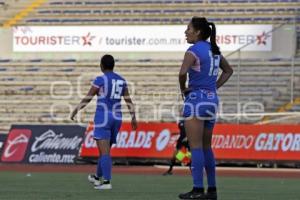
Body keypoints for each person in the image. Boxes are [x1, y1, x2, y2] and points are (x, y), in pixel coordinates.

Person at [178, 17, 233, 200]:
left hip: (196, 100)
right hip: (212, 100)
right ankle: (212, 190)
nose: (186, 32)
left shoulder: (193, 51)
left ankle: (197, 189)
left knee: (195, 148)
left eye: (189, 29)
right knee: (207, 147)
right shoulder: (214, 50)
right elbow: (228, 70)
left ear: (198, 32)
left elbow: (182, 73)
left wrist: (183, 89)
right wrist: (214, 87)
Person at [70, 54, 137, 190]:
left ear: (101, 65)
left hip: (103, 117)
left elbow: (88, 97)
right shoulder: (121, 80)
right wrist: (133, 117)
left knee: (104, 152)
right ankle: (97, 177)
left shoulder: (100, 79)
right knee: (104, 151)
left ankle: (106, 182)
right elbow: (128, 100)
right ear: (113, 65)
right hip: (117, 117)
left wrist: (76, 109)